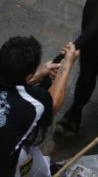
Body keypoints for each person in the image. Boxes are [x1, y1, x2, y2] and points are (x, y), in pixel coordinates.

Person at [0, 36, 79, 177]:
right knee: (29, 163)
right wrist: (67, 64)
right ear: (28, 75)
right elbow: (53, 103)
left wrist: (37, 76)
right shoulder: (33, 103)